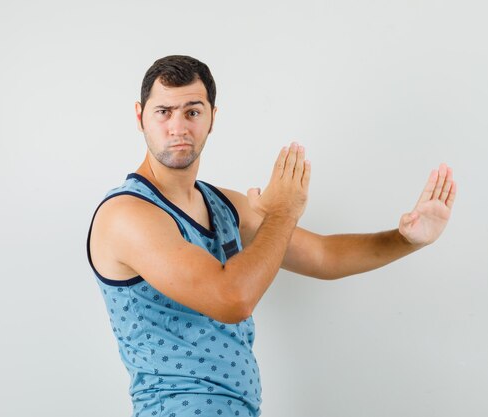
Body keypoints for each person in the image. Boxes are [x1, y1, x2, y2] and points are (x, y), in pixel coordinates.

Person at [86, 55, 457, 417]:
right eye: (163, 111)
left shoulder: (221, 204)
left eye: (193, 111)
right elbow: (232, 299)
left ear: (213, 118)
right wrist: (283, 211)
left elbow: (324, 255)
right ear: (140, 117)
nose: (178, 127)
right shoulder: (127, 214)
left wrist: (406, 239)